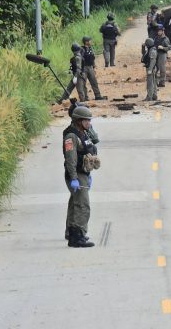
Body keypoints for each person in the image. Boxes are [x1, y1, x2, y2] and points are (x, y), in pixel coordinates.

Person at [63, 106, 98, 248]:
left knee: (74, 204)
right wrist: (74, 178)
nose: (89, 123)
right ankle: (78, 237)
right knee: (82, 206)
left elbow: (95, 141)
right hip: (76, 174)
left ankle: (72, 233)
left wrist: (88, 174)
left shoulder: (83, 133)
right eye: (87, 120)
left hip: (83, 174)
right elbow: (71, 159)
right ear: (78, 120)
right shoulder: (71, 136)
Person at [81, 36, 104, 101]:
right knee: (83, 83)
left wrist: (94, 66)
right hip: (84, 67)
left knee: (94, 81)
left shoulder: (90, 48)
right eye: (90, 41)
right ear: (86, 42)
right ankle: (85, 97)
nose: (91, 42)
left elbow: (92, 58)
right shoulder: (82, 49)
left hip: (90, 67)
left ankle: (98, 95)